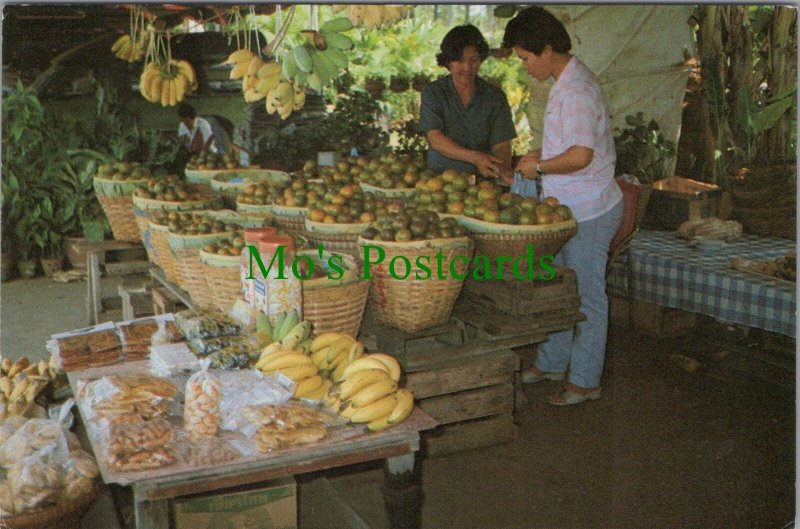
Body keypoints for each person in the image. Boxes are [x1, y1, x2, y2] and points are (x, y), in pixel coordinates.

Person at [502, 6, 623, 406]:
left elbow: (582, 155)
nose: (523, 66)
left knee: (587, 295)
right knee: (557, 290)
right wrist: (541, 155)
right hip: (566, 207)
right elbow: (568, 146)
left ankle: (585, 380)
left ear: (547, 49)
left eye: (524, 57)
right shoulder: (565, 80)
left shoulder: (577, 90)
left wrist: (540, 165)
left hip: (591, 209)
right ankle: (553, 363)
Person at [419, 24, 516, 180]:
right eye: (460, 60)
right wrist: (476, 158)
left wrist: (499, 168)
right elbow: (435, 138)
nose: (467, 67)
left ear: (481, 59)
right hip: (439, 183)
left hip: (482, 185)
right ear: (448, 62)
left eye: (474, 60)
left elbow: (502, 145)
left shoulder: (495, 97)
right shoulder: (433, 93)